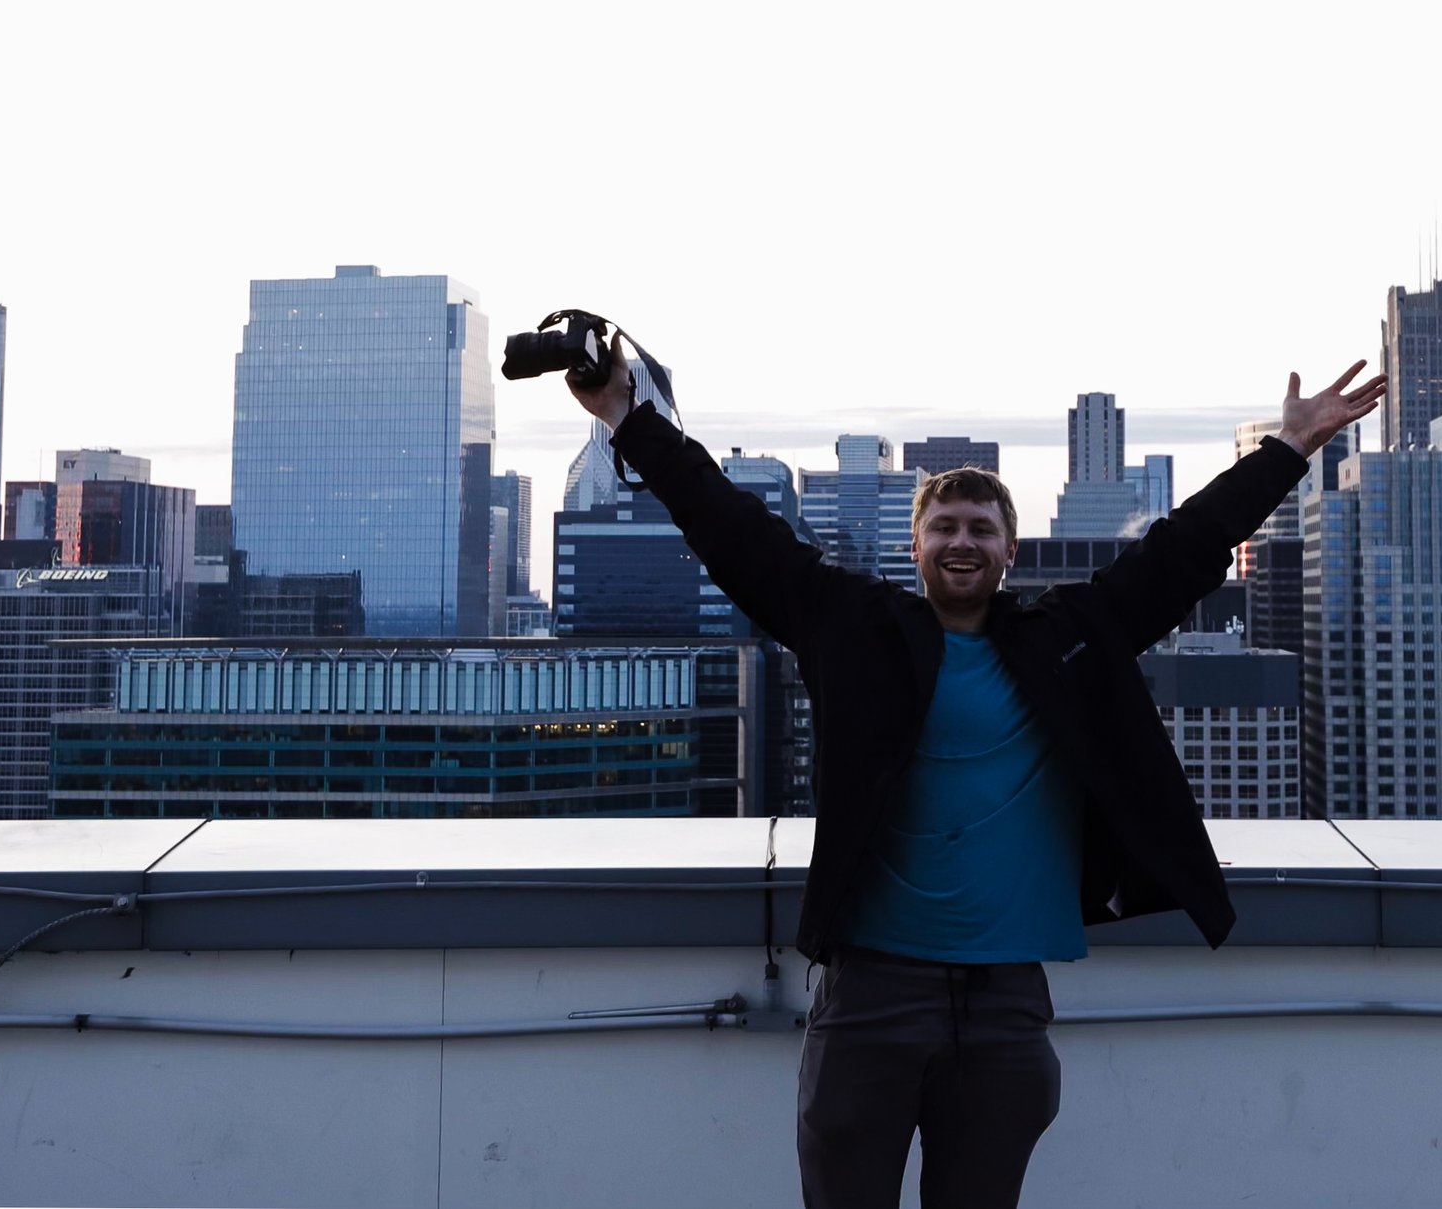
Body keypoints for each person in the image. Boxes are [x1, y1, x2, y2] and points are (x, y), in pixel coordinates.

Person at [570, 356, 1385, 1209]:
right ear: (915, 546)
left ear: (1009, 550)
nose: (962, 542)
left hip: (1005, 1004)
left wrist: (1289, 447)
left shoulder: (1066, 636)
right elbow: (729, 526)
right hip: (870, 993)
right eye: (945, 527)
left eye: (981, 529)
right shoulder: (850, 625)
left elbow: (1184, 549)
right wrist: (626, 415)